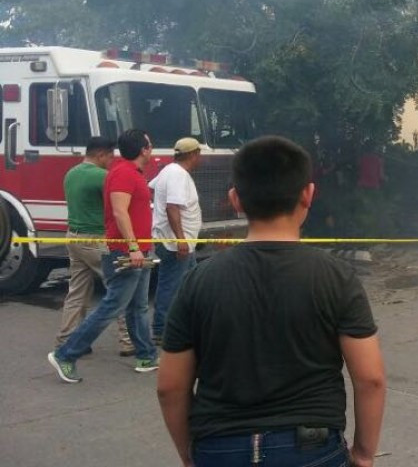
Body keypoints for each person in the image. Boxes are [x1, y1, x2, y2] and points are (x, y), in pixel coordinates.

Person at [157, 136, 386, 467]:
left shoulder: (198, 281)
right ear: (308, 194)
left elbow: (169, 387)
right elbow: (371, 378)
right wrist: (363, 455)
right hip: (312, 449)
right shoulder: (336, 277)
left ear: (235, 199)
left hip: (219, 449)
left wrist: (189, 456)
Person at [49, 129, 159, 382]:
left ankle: (146, 355)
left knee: (137, 306)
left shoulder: (130, 172)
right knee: (112, 306)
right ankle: (65, 354)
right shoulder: (122, 174)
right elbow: (120, 213)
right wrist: (132, 248)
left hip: (138, 248)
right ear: (144, 149)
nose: (151, 148)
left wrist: (140, 248)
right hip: (124, 250)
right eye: (150, 144)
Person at [53, 136, 134, 358]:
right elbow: (118, 207)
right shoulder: (102, 177)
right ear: (100, 154)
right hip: (97, 240)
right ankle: (128, 342)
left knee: (77, 292)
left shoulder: (71, 173)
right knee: (119, 289)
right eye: (110, 156)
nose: (111, 161)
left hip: (74, 237)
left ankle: (67, 338)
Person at [150, 137, 205, 344]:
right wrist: (180, 240)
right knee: (171, 285)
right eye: (199, 154)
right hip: (175, 243)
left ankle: (182, 325)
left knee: (188, 283)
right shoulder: (177, 175)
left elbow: (152, 188)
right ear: (192, 154)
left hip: (180, 241)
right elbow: (172, 207)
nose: (200, 158)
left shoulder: (169, 170)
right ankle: (160, 329)